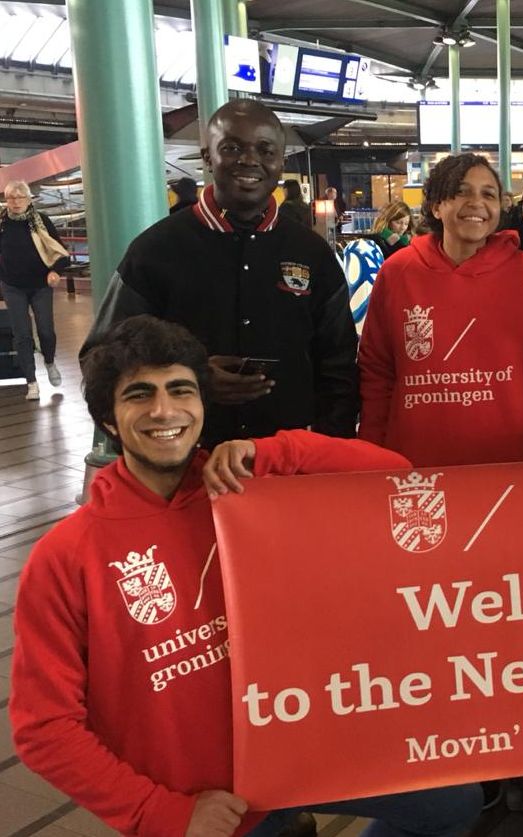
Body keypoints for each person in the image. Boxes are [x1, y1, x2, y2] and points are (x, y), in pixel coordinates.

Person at [9, 314, 482, 837]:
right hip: (210, 800)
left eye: (180, 390)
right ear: (108, 421)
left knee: (452, 803)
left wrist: (276, 450)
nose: (164, 410)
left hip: (306, 744)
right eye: (139, 395)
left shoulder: (244, 490)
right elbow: (45, 729)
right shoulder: (67, 557)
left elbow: (396, 474)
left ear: (202, 405)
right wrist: (161, 812)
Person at [83, 99, 359, 448]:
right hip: (185, 461)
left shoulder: (312, 253)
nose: (249, 160)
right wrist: (191, 379)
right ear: (206, 157)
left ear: (280, 161)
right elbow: (100, 360)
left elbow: (339, 364)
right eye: (231, 148)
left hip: (288, 461)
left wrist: (333, 449)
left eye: (265, 149)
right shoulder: (155, 250)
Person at [358, 152, 523, 467]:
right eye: (462, 192)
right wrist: (373, 455)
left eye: (489, 194)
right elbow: (377, 374)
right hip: (415, 465)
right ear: (436, 206)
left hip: (511, 460)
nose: (476, 202)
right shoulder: (397, 272)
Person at [0, 179, 69, 400]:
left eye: (21, 197)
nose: (16, 201)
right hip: (12, 287)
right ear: (6, 200)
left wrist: (55, 271)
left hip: (40, 285)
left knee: (46, 331)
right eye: (12, 197)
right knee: (22, 335)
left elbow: (60, 252)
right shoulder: (2, 223)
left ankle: (49, 362)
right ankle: (31, 382)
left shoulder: (42, 221)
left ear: (29, 199)